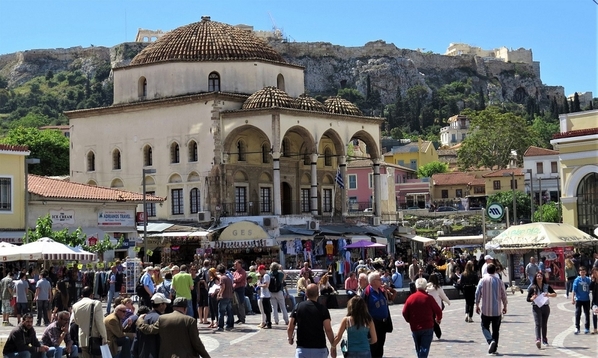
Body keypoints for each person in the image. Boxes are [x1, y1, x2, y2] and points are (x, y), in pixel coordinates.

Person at [136, 297, 211, 358]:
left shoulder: (163, 318)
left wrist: (140, 321)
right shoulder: (190, 320)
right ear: (185, 308)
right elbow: (197, 343)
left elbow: (149, 330)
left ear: (173, 308)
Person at [287, 284, 336, 358]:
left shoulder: (298, 307)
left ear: (306, 294)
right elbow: (328, 329)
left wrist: (290, 339)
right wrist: (333, 345)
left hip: (302, 348)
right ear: (318, 294)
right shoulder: (323, 309)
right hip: (319, 348)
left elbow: (290, 327)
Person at [403, 278, 443, 358]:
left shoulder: (410, 298)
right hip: (427, 326)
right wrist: (438, 319)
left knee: (419, 349)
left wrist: (409, 320)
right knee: (424, 348)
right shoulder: (429, 298)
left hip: (415, 327)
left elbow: (404, 312)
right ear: (425, 287)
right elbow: (438, 310)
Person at [475, 263, 508, 355]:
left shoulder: (482, 281)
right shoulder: (499, 281)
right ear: (495, 271)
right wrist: (505, 306)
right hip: (497, 310)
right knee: (496, 330)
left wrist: (477, 304)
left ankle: (490, 340)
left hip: (486, 309)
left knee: (484, 326)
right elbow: (504, 295)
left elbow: (477, 293)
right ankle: (494, 348)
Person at [72, 286, 108, 358]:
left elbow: (76, 321)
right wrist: (104, 337)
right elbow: (99, 322)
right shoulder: (96, 303)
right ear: (91, 294)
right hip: (95, 337)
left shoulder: (75, 305)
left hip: (82, 337)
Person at [131, 293, 170, 358]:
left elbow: (136, 341)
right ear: (161, 305)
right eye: (165, 304)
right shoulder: (161, 319)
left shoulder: (141, 319)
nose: (166, 306)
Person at [361, 271, 390, 358]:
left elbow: (387, 301)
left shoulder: (381, 290)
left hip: (383, 323)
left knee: (380, 346)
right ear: (373, 281)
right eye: (379, 279)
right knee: (374, 347)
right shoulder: (367, 292)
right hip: (373, 323)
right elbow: (362, 309)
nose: (381, 281)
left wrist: (385, 292)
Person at [526, 271, 556, 348]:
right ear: (535, 278)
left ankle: (545, 339)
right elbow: (528, 299)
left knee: (544, 324)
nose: (539, 277)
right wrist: (532, 298)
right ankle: (538, 339)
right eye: (538, 276)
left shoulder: (546, 286)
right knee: (538, 323)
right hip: (536, 307)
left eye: (541, 276)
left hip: (545, 306)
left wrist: (548, 294)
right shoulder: (532, 287)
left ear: (543, 278)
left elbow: (555, 294)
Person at [426, 272, 450, 339]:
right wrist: (448, 302)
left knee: (431, 320)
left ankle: (433, 332)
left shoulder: (426, 287)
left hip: (428, 307)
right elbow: (443, 296)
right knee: (434, 321)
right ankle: (438, 333)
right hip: (436, 307)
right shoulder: (438, 288)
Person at [571, 266, 591, 334]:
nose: (582, 273)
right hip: (579, 299)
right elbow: (574, 290)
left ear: (585, 272)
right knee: (577, 313)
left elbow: (591, 286)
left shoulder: (588, 279)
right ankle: (577, 327)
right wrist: (572, 299)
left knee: (587, 314)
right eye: (581, 272)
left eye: (584, 272)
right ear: (579, 272)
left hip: (586, 299)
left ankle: (587, 328)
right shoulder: (577, 280)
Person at [215, 264, 234, 332]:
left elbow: (223, 287)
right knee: (229, 312)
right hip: (229, 296)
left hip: (224, 296)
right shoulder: (228, 278)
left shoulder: (222, 278)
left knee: (221, 312)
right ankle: (230, 324)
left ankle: (220, 326)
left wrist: (219, 294)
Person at [257, 265, 272, 329]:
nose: (259, 272)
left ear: (263, 270)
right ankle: (267, 322)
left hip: (265, 295)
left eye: (260, 271)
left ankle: (268, 322)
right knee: (266, 310)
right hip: (264, 295)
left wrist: (259, 285)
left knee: (266, 310)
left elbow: (266, 285)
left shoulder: (266, 276)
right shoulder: (264, 276)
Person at [197, 260, 211, 324]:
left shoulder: (200, 270)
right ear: (209, 264)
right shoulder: (209, 271)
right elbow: (209, 279)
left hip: (199, 288)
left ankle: (200, 319)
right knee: (206, 304)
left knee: (200, 304)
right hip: (206, 288)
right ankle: (205, 319)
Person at [589, 267, 598, 335]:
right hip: (595, 300)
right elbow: (590, 288)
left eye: (596, 272)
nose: (594, 274)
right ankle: (595, 329)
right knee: (594, 314)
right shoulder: (593, 281)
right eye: (593, 273)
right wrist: (592, 280)